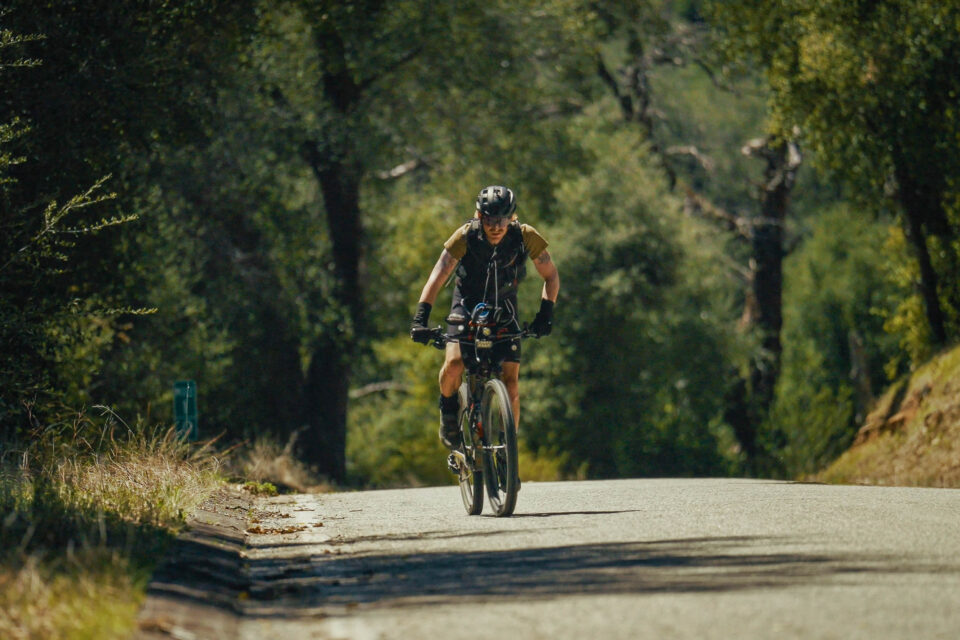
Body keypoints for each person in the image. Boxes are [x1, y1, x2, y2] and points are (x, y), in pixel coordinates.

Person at [410, 185, 560, 449]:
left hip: (505, 308)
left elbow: (551, 276)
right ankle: (448, 411)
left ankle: (507, 449)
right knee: (454, 364)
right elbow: (438, 275)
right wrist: (421, 318)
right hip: (466, 305)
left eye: (503, 219)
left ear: (511, 217)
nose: (496, 227)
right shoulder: (465, 236)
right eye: (490, 219)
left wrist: (545, 313)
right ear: (479, 216)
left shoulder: (525, 236)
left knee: (511, 384)